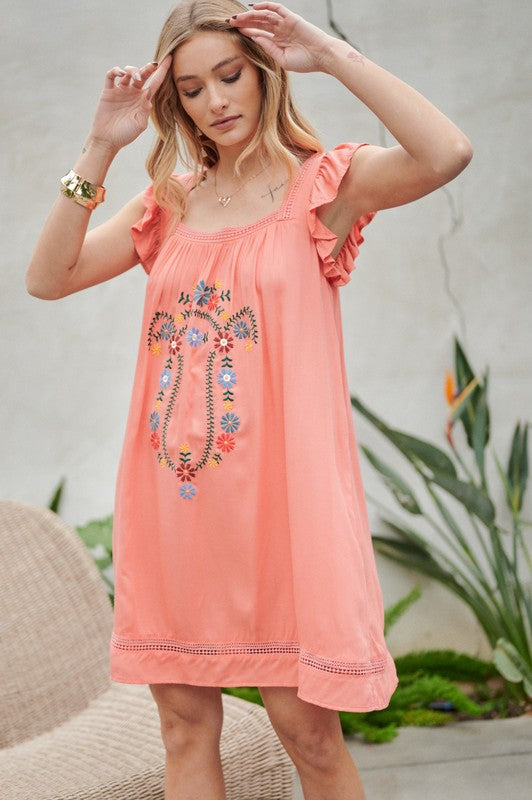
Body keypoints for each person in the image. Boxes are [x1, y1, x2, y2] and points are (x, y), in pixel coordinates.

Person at [26, 1, 472, 798]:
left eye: (230, 76)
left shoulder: (325, 187)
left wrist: (332, 54)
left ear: (264, 73)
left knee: (309, 734)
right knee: (183, 728)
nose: (215, 101)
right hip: (176, 511)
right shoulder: (168, 204)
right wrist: (101, 143)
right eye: (192, 88)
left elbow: (447, 153)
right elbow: (47, 278)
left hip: (283, 515)